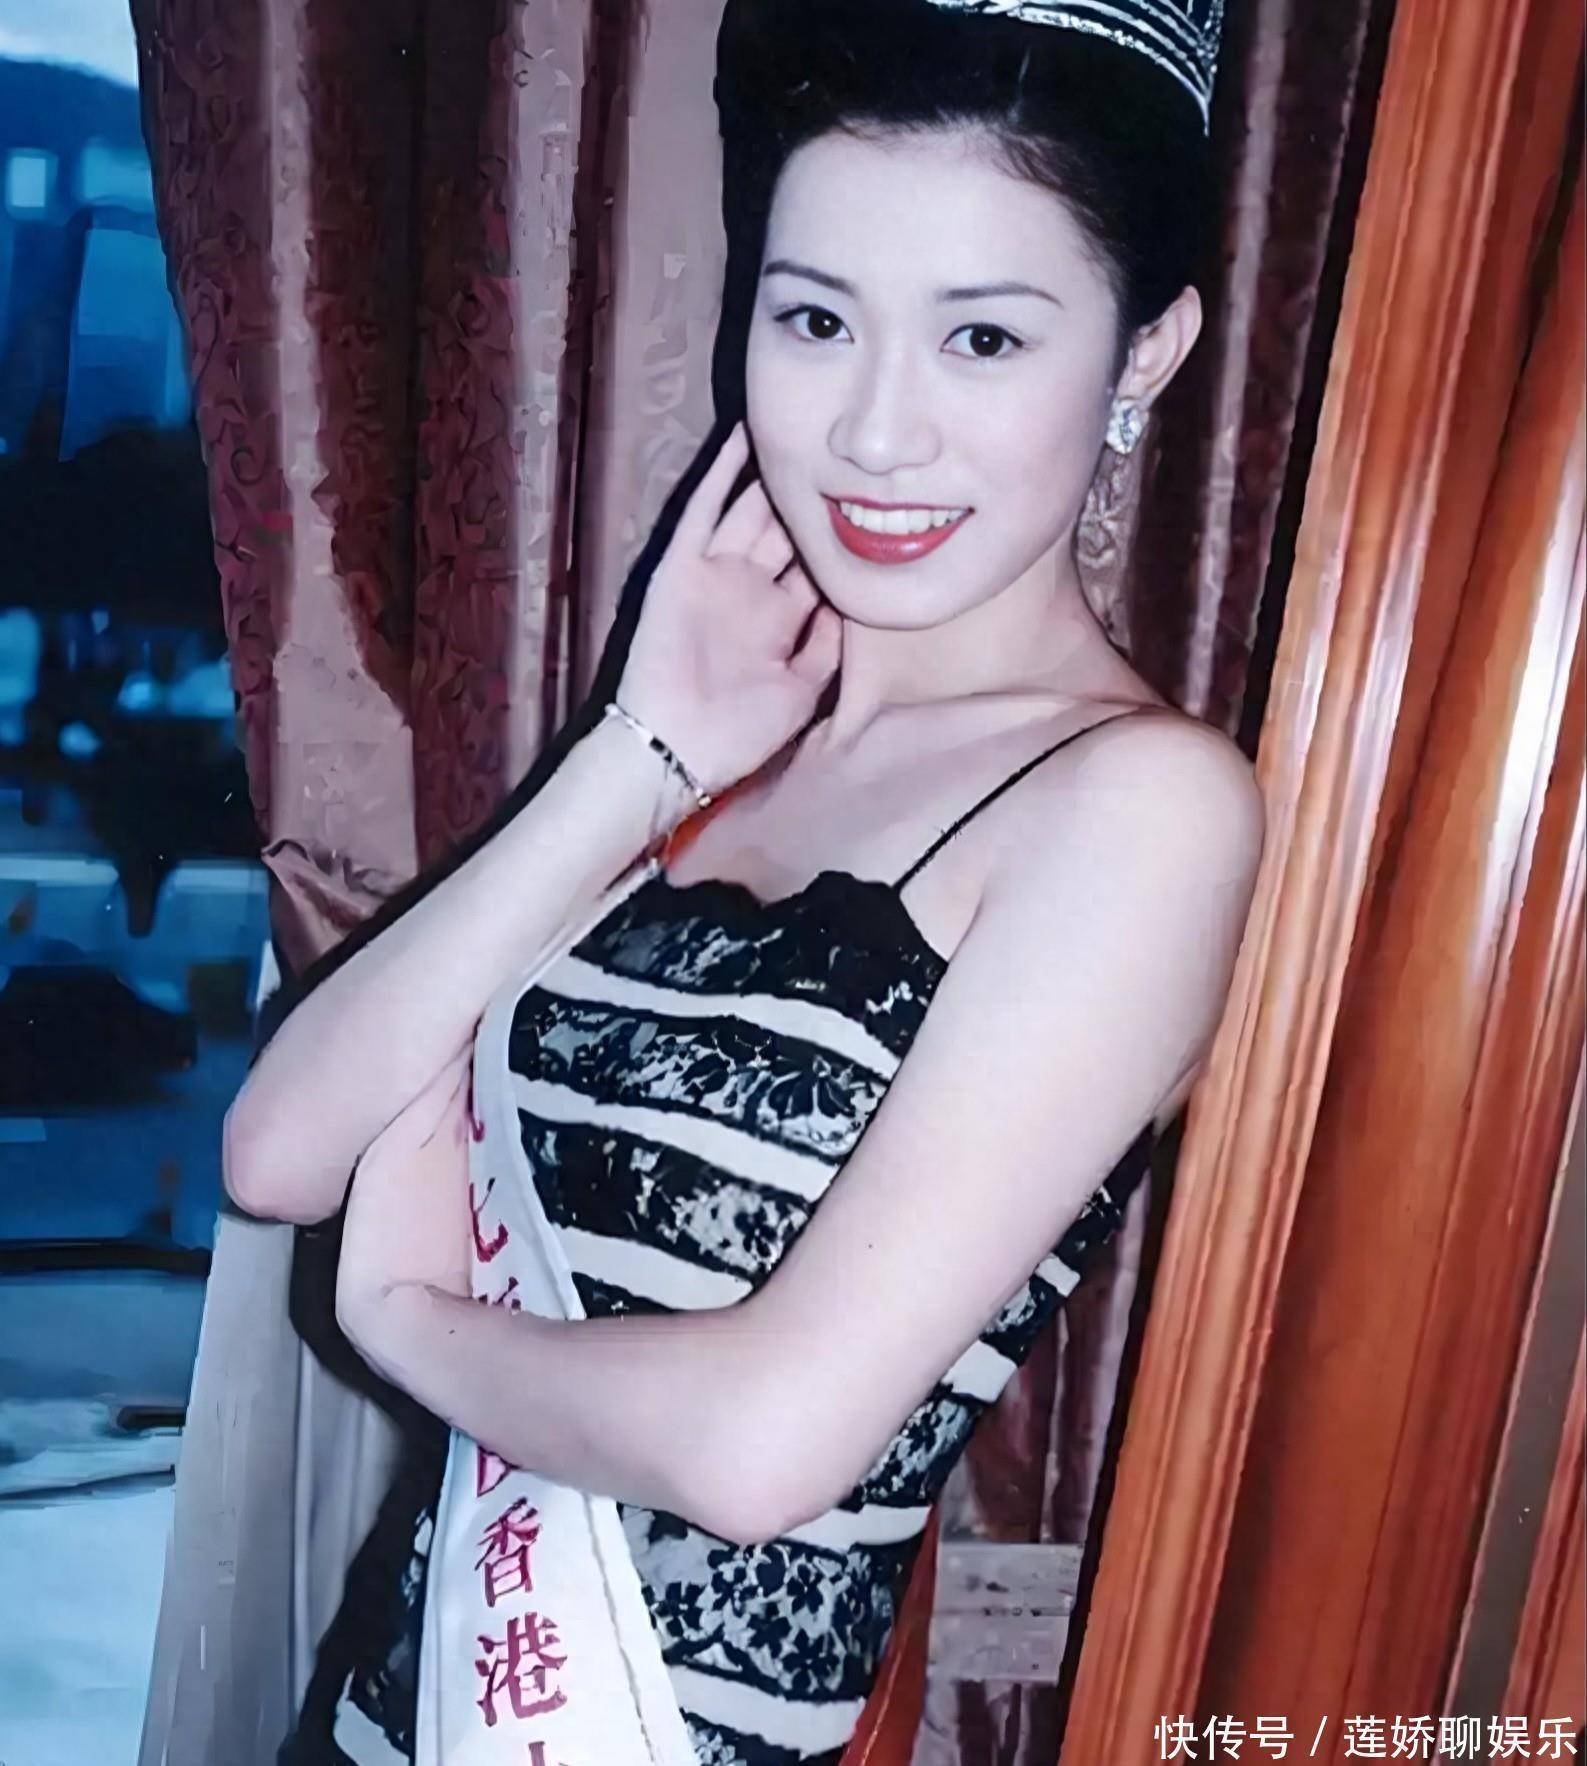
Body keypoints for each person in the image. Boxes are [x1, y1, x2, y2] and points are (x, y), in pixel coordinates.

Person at [242, 0, 1263, 1760]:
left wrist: (408, 1323)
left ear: (1146, 353)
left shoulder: (1138, 808)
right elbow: (282, 1150)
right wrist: (635, 752)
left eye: (983, 338)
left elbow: (762, 1443)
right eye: (814, 318)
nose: (874, 433)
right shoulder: (715, 744)